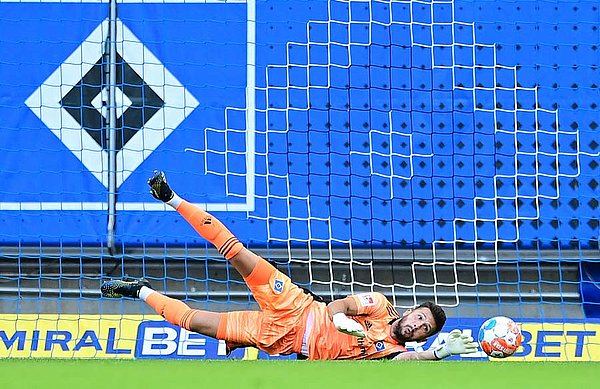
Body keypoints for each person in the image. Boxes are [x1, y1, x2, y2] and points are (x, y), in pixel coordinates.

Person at [101, 171, 478, 360]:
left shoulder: (393, 353)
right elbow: (342, 305)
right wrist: (339, 318)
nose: (415, 325)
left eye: (422, 329)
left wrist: (436, 354)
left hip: (282, 337)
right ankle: (172, 198)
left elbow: (410, 364)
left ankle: (139, 289)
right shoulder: (380, 306)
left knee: (198, 322)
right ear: (411, 310)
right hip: (296, 305)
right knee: (238, 252)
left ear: (420, 337)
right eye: (419, 317)